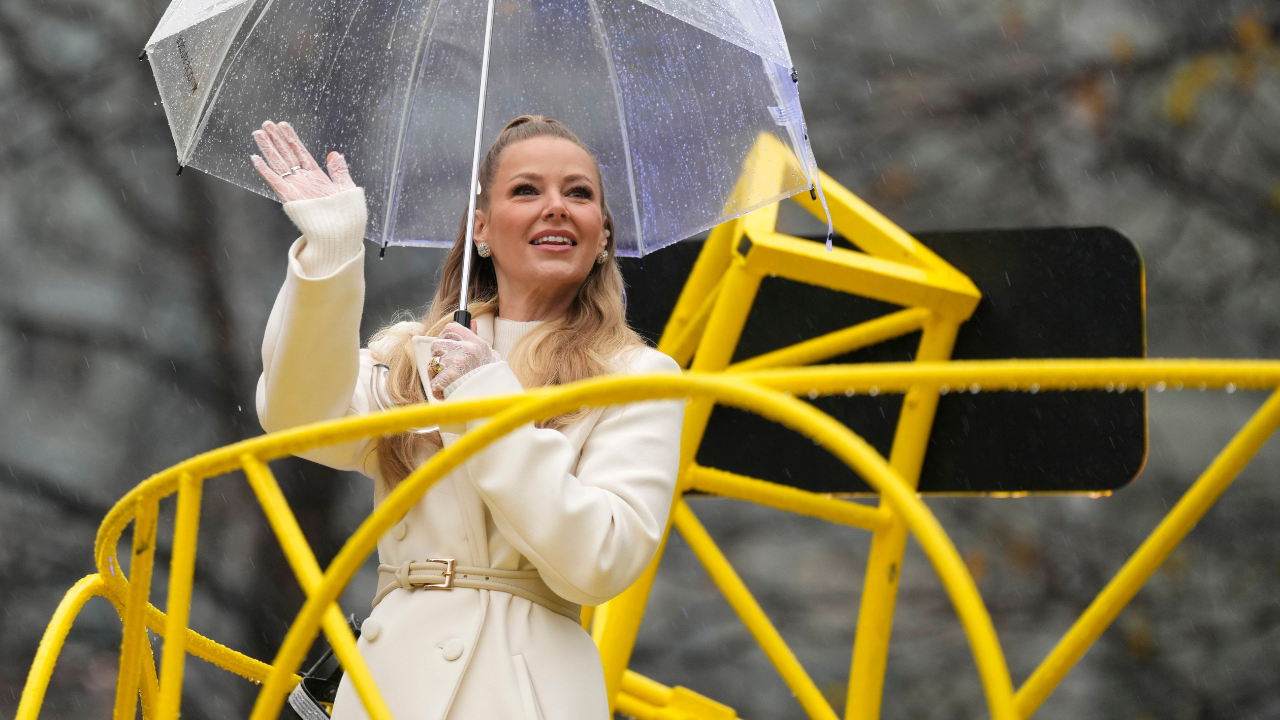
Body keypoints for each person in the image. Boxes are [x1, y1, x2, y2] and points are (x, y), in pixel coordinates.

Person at [250, 116, 684, 720]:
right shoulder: (416, 358)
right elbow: (297, 415)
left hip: (521, 692)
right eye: (526, 190)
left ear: (603, 236)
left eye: (579, 193)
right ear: (481, 228)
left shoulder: (640, 375)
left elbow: (600, 559)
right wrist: (331, 249)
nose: (556, 207)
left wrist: (486, 400)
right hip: (387, 688)